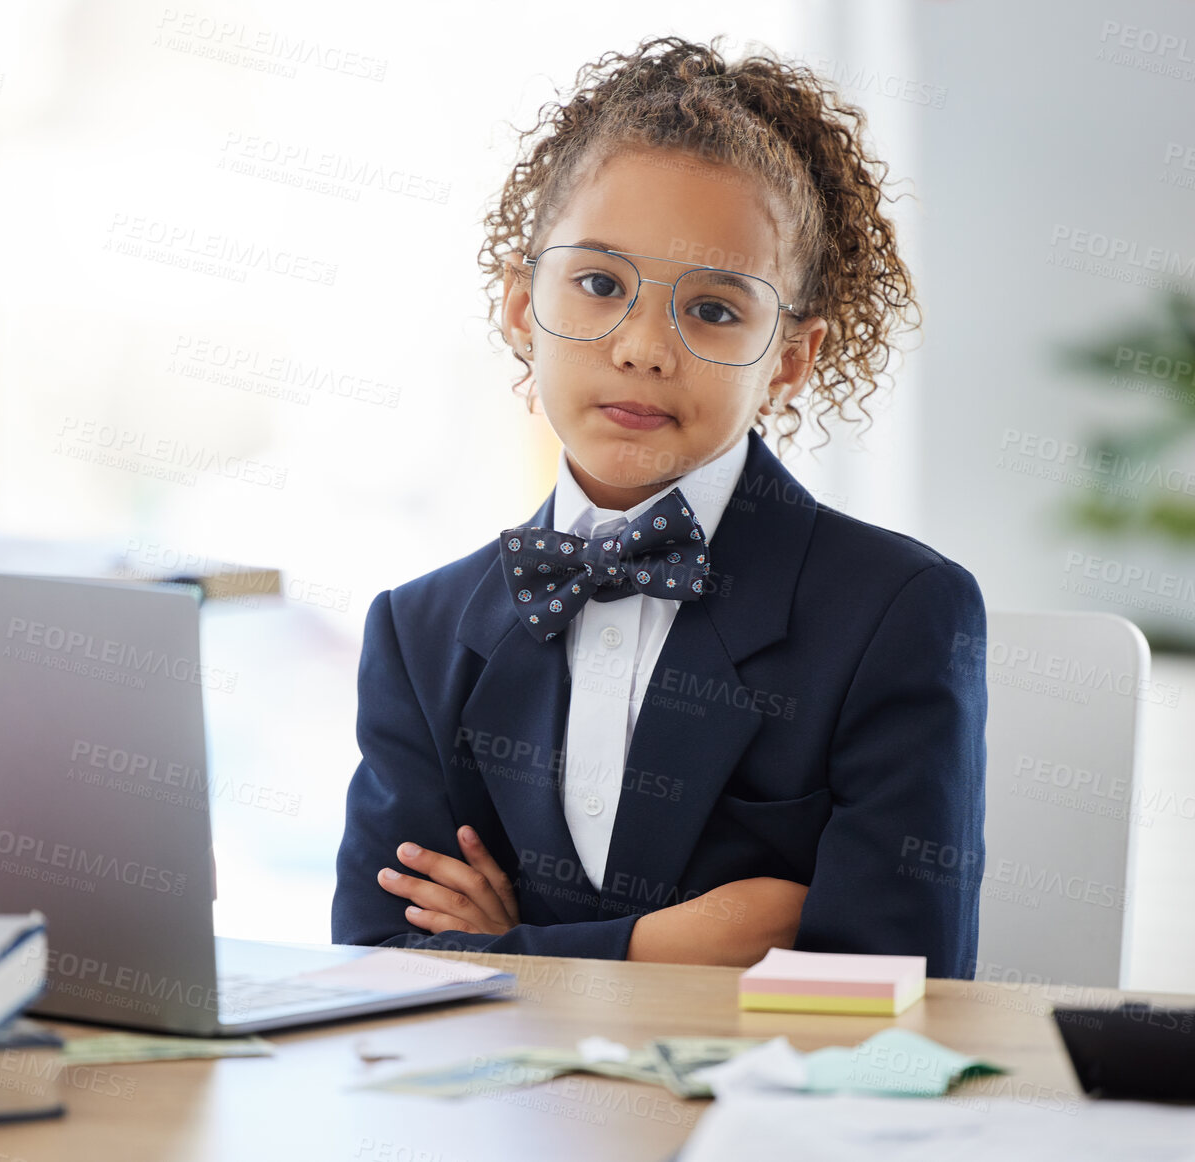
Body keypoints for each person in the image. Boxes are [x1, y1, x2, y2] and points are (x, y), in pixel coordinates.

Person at [331, 34, 987, 975]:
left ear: (791, 359)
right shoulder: (417, 630)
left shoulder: (897, 611)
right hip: (496, 1121)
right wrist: (668, 946)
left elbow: (892, 987)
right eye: (599, 285)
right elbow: (374, 966)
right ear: (522, 308)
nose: (643, 347)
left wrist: (501, 950)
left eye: (714, 309)